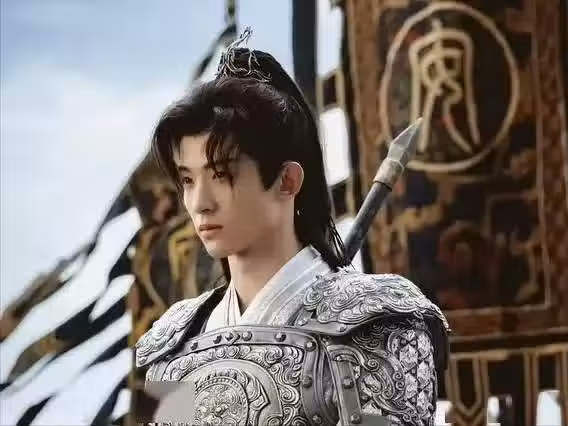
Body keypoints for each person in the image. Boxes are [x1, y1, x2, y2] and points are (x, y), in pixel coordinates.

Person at [134, 30, 449, 426]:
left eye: (221, 175)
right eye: (187, 180)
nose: (199, 202)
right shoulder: (175, 343)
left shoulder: (377, 322)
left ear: (287, 181)